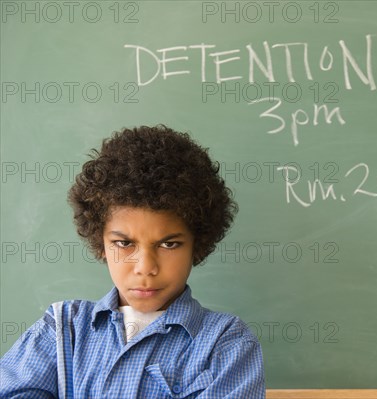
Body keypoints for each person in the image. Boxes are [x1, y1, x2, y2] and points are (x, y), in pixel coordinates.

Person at [0, 125, 266, 398]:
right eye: (124, 244)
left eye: (168, 244)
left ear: (197, 244)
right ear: (100, 242)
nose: (145, 267)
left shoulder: (226, 343)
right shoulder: (62, 328)